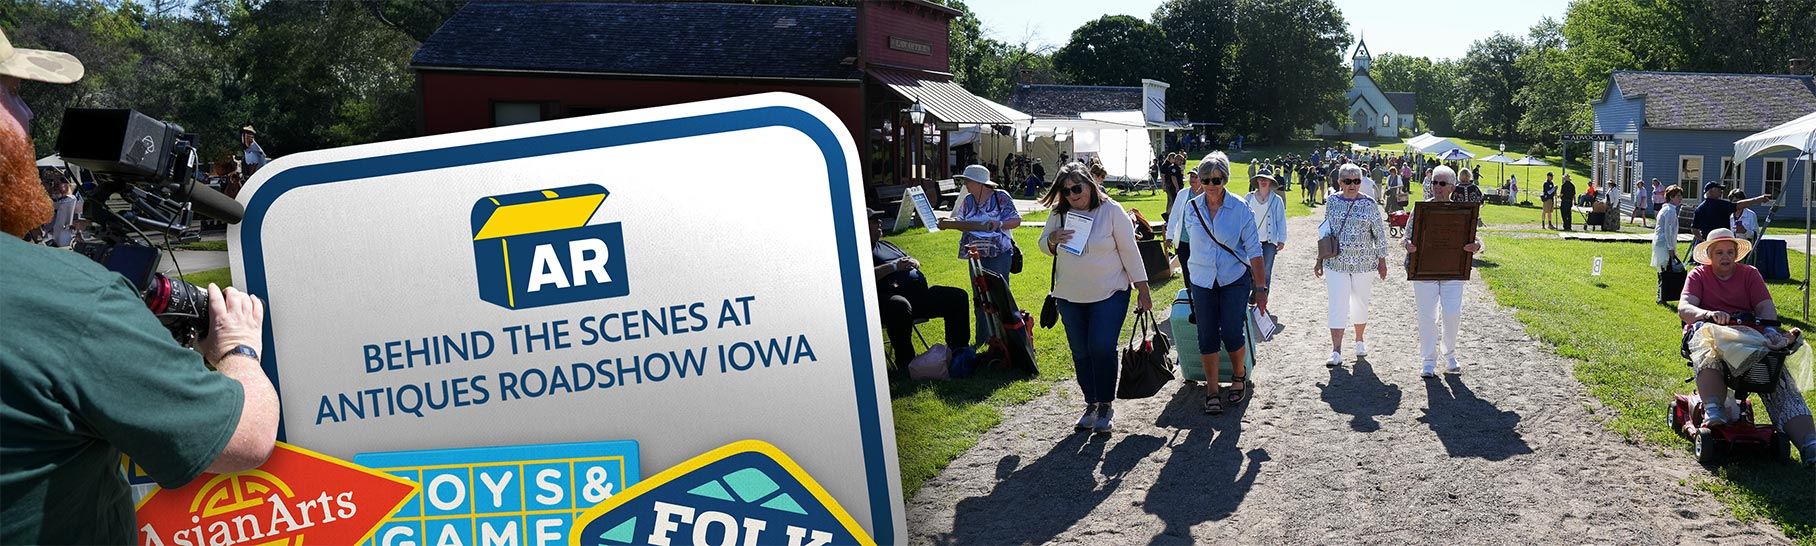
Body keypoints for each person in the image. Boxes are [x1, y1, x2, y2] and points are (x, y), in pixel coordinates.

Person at [0, 30, 279, 544]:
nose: (30, 116)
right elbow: (248, 437)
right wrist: (239, 348)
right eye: (14, 93)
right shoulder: (68, 300)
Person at [1676, 229, 1816, 466]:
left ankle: (1809, 442)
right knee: (1706, 340)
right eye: (1719, 252)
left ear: (1737, 255)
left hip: (1749, 337)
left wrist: (1770, 331)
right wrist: (1708, 314)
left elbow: (1766, 309)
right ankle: (1714, 408)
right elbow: (1685, 307)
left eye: (1730, 252)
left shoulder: (1750, 274)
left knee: (1775, 372)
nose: (1725, 257)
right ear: (1709, 254)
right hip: (1711, 335)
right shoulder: (1698, 275)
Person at [1037, 162, 1152, 433]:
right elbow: (1044, 246)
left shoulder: (1112, 211)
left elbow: (1130, 252)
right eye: (1066, 191)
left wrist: (1143, 289)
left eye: (1077, 187)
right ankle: (1091, 403)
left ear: (1090, 184)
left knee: (1101, 347)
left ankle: (1106, 406)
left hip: (1109, 293)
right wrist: (1052, 239)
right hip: (1069, 296)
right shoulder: (1058, 213)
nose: (1073, 194)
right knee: (1081, 352)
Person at [1180, 153, 1269, 415]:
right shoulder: (1191, 208)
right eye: (1205, 179)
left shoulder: (1241, 208)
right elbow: (1190, 245)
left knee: (1231, 331)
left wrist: (1261, 289)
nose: (1210, 185)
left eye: (1216, 180)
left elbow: (1255, 251)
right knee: (1206, 335)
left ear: (1225, 180)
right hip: (1202, 281)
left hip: (1233, 279)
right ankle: (1211, 389)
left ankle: (1239, 375)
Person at [1401, 166, 1484, 377]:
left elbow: (1476, 239)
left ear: (1452, 187)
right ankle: (1428, 360)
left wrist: (1477, 246)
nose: (1437, 187)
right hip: (1424, 270)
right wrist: (1407, 244)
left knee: (1452, 314)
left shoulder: (1462, 212)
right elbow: (1406, 236)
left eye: (1442, 183)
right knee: (1427, 316)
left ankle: (1450, 354)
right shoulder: (1421, 210)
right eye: (1434, 183)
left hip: (1452, 271)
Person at [870, 209, 968, 378]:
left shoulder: (886, 245)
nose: (879, 222)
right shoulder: (857, 251)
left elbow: (910, 260)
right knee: (899, 306)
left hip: (917, 295)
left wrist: (914, 261)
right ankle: (906, 363)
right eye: (874, 220)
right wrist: (893, 267)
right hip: (887, 299)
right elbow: (862, 276)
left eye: (879, 219)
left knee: (956, 296)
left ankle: (959, 352)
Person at [938, 164, 1022, 346]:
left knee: (999, 296)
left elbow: (1016, 220)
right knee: (979, 298)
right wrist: (947, 223)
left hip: (999, 253)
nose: (965, 184)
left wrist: (998, 224)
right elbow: (961, 222)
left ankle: (1006, 340)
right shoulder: (968, 200)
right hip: (975, 254)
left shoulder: (1001, 197)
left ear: (980, 183)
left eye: (967, 181)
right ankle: (983, 340)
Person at [1317, 163, 1389, 368]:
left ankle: (1359, 340)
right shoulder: (1331, 201)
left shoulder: (1369, 203)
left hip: (1364, 263)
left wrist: (1382, 261)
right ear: (1339, 182)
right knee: (1337, 304)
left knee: (1360, 303)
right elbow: (1325, 230)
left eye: (1356, 181)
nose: (1352, 185)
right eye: (1347, 181)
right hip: (1336, 262)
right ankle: (1336, 350)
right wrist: (1319, 259)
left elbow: (1379, 234)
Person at [1691, 182, 1770, 244]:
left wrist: (1703, 239)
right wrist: (1758, 199)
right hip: (1723, 241)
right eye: (1719, 190)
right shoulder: (1720, 205)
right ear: (1711, 191)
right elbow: (1738, 205)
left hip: (1709, 242)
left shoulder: (1699, 209)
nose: (1721, 192)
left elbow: (1694, 229)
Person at [1166, 169, 1207, 287]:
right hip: (1184, 240)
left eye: (1196, 177)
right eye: (1191, 177)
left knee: (1200, 270)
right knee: (1186, 269)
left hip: (1201, 242)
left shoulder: (1208, 195)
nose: (1193, 180)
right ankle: (1189, 296)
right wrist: (1169, 236)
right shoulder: (1183, 194)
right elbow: (1174, 216)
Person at [1246, 168, 1287, 281]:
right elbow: (1241, 220)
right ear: (1257, 181)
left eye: (1266, 179)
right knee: (1249, 269)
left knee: (1266, 271)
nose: (1263, 181)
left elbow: (1281, 220)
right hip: (1251, 241)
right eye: (1261, 179)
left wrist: (1281, 239)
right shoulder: (1248, 198)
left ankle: (1262, 297)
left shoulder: (1276, 200)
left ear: (1270, 182)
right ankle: (1250, 297)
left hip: (1269, 242)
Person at [1652, 185, 1685, 290]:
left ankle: (1662, 293)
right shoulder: (1670, 211)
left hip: (1661, 242)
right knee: (1666, 270)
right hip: (1664, 243)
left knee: (1663, 270)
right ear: (1671, 197)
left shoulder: (1666, 209)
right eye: (1678, 196)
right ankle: (1664, 293)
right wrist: (1671, 248)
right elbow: (1668, 231)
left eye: (1681, 196)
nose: (1680, 198)